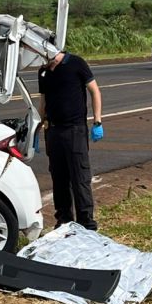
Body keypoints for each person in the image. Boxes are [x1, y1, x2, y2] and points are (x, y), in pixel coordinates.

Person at [38, 48, 103, 230]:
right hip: (53, 131)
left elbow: (95, 91)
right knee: (59, 178)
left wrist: (97, 121)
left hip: (74, 130)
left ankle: (86, 223)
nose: (43, 62)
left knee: (79, 177)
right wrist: (37, 129)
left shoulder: (76, 63)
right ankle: (64, 220)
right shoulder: (43, 72)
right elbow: (43, 102)